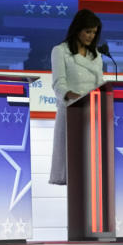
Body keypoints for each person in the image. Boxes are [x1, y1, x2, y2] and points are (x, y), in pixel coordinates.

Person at [49, 9, 106, 185]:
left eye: (94, 32)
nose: (91, 36)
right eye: (87, 31)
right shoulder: (60, 51)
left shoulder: (95, 55)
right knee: (75, 169)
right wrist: (77, 97)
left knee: (93, 172)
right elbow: (59, 84)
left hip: (94, 115)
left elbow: (100, 84)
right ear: (77, 29)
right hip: (72, 113)